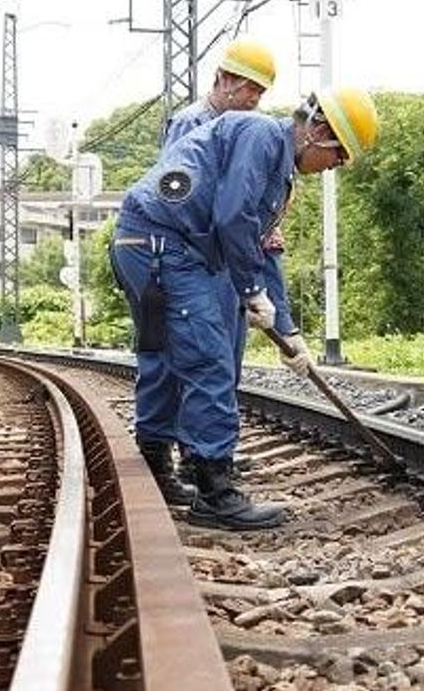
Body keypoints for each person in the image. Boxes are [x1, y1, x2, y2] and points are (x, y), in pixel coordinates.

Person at [111, 88, 379, 530]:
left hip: (153, 244)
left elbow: (260, 246)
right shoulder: (260, 135)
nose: (335, 167)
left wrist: (288, 332)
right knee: (209, 360)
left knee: (178, 358)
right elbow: (233, 218)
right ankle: (215, 492)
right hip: (162, 245)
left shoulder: (277, 169)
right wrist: (251, 290)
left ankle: (160, 466)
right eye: (339, 157)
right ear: (320, 133)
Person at [125, 38, 287, 507]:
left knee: (213, 355)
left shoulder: (247, 130)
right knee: (185, 354)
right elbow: (185, 194)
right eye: (248, 89)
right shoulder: (193, 123)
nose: (254, 100)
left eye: (260, 93)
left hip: (211, 254)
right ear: (223, 79)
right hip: (183, 252)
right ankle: (173, 456)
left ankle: (199, 452)